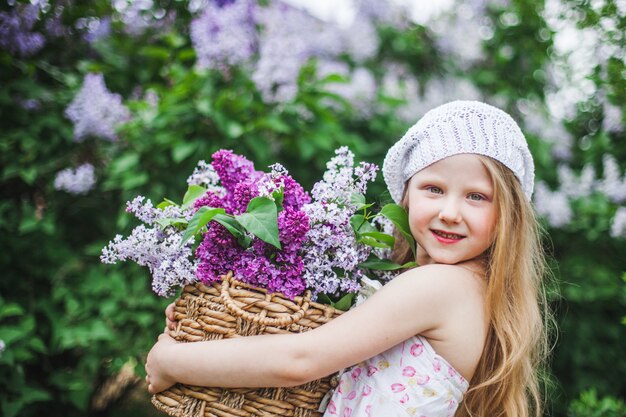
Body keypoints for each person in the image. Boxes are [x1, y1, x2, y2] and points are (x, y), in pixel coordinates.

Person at [145, 100, 552, 417]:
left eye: (476, 196)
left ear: (507, 216)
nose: (449, 211)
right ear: (405, 196)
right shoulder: (470, 289)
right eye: (434, 188)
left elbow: (300, 360)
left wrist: (173, 360)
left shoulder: (441, 286)